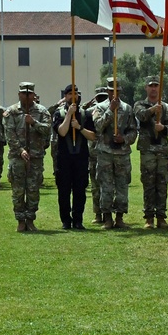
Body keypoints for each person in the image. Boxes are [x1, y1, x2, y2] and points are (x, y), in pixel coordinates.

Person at [3, 81, 51, 232]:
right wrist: (20, 150)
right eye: (24, 93)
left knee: (33, 189)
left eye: (29, 93)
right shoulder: (11, 112)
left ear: (34, 95)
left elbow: (47, 130)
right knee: (18, 190)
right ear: (19, 94)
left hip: (35, 157)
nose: (27, 96)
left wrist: (34, 123)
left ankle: (30, 219)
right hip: (18, 158)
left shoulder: (42, 112)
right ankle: (20, 220)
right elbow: (10, 134)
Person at [92, 77, 138, 229]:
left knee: (122, 187)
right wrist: (111, 110)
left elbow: (133, 130)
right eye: (112, 91)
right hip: (105, 153)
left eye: (117, 91)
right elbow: (98, 126)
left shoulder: (127, 108)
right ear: (107, 91)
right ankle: (107, 218)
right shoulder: (99, 107)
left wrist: (124, 139)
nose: (115, 94)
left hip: (122, 154)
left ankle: (119, 217)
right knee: (106, 186)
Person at [51, 84, 95, 230]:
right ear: (65, 97)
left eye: (75, 93)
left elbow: (93, 136)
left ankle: (78, 220)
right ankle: (65, 220)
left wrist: (79, 128)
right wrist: (69, 115)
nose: (73, 96)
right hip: (64, 158)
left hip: (81, 158)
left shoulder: (86, 114)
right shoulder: (59, 114)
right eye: (70, 94)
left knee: (80, 191)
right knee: (63, 191)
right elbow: (62, 132)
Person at [133, 76, 168, 229]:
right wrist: (152, 110)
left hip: (162, 151)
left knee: (162, 184)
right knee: (148, 183)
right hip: (147, 151)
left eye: (156, 86)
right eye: (151, 86)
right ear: (146, 88)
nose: (153, 88)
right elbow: (141, 116)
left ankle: (161, 217)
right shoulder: (140, 104)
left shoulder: (166, 107)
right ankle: (149, 218)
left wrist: (163, 128)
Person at [87, 87, 109, 225]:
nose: (101, 99)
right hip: (93, 152)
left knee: (107, 184)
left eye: (104, 96)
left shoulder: (112, 110)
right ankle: (98, 214)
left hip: (107, 151)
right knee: (95, 185)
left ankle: (108, 213)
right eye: (99, 96)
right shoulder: (90, 112)